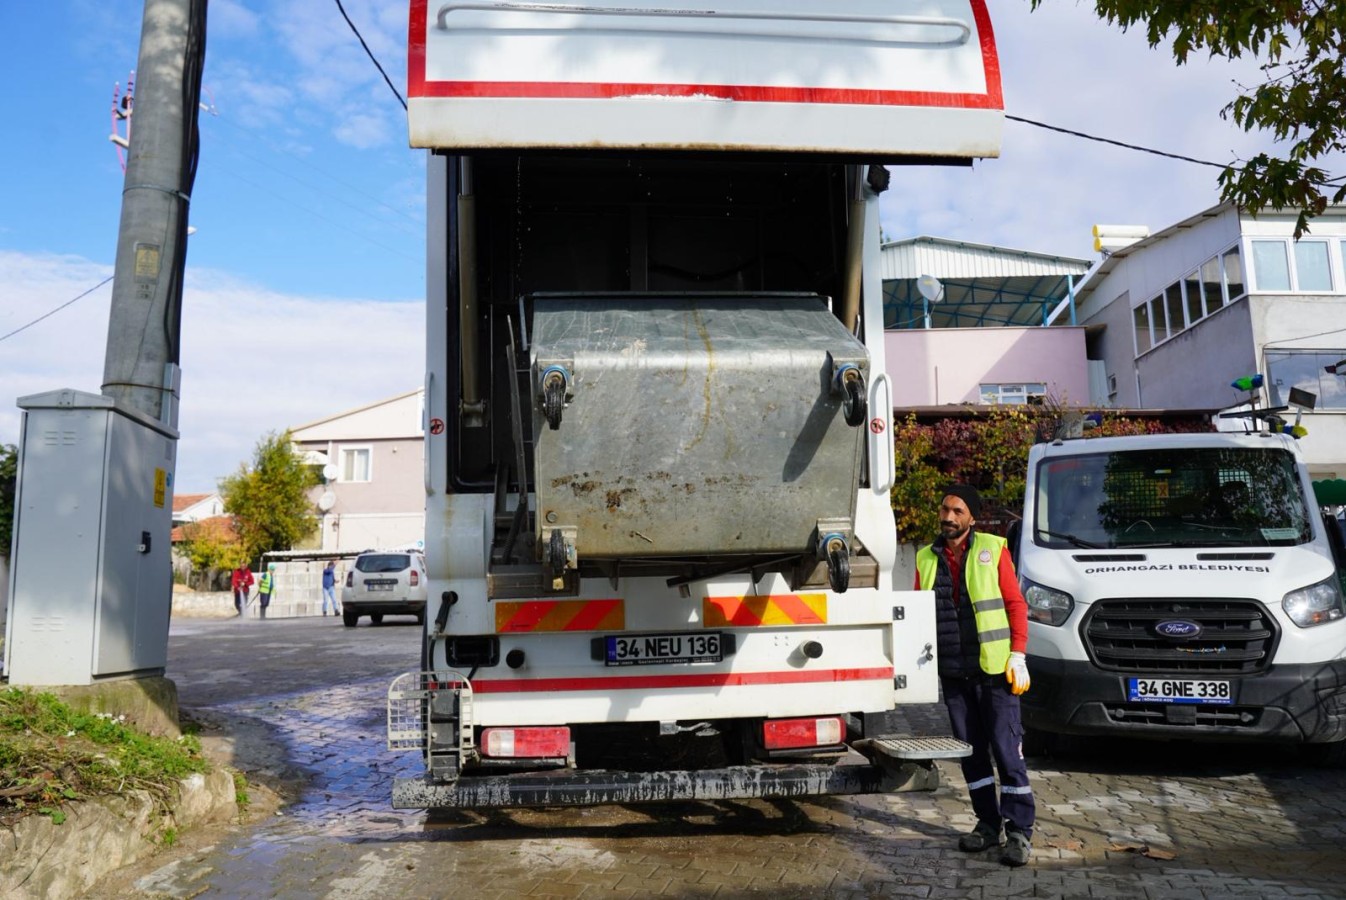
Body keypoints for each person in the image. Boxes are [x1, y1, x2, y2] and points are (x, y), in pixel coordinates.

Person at [915, 484, 1035, 867]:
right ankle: (987, 823)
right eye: (945, 509)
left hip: (995, 671)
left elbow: (1015, 604)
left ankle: (1019, 831)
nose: (949, 517)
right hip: (954, 673)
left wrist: (1018, 654)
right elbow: (917, 615)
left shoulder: (993, 549)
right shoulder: (924, 558)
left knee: (1006, 751)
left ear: (972, 516)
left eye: (958, 511)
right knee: (972, 755)